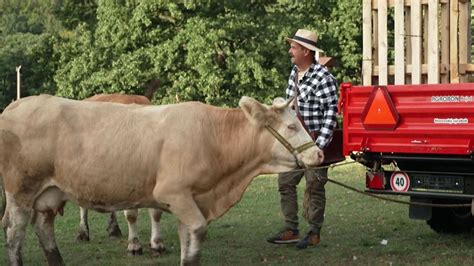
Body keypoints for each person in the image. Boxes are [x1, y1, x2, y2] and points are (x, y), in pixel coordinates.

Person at [267, 29, 338, 249]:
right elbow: (289, 109)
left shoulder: (324, 78)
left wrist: (320, 144)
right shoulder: (293, 73)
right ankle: (291, 229)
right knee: (285, 183)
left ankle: (314, 233)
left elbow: (331, 112)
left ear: (306, 51)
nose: (290, 51)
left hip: (314, 143)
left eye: (294, 47)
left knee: (314, 187)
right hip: (294, 144)